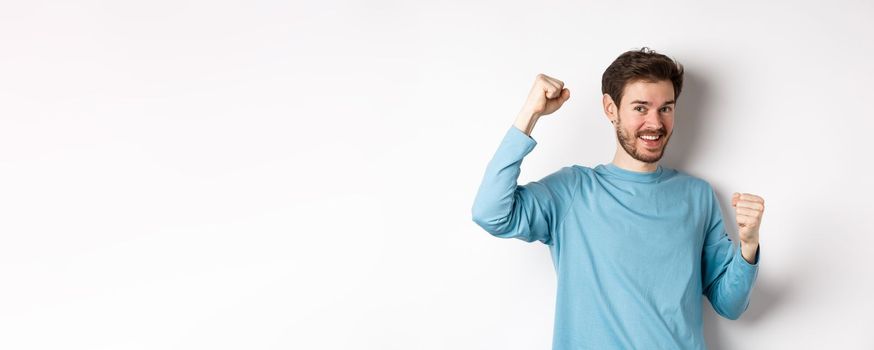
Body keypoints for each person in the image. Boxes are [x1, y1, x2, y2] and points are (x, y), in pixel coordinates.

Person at [470, 47, 764, 349]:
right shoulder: (573, 190)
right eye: (640, 108)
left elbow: (730, 304)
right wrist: (530, 113)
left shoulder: (697, 196)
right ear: (611, 109)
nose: (655, 123)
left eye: (665, 108)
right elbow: (491, 213)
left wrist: (748, 246)